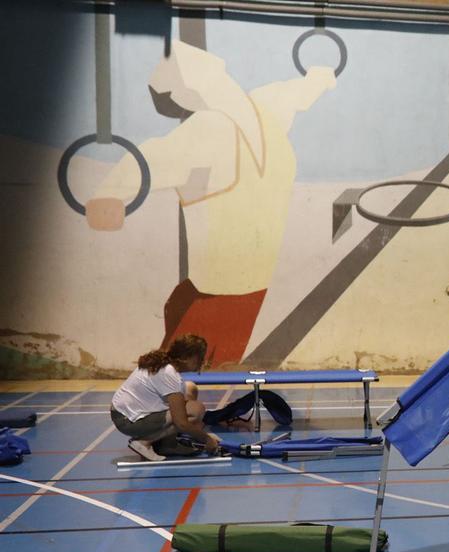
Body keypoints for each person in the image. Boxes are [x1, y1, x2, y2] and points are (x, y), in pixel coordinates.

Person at [86, 41, 336, 366]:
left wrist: (109, 194)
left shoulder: (210, 127)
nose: (181, 109)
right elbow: (299, 92)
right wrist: (321, 76)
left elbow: (151, 157)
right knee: (189, 367)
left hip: (220, 295)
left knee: (185, 376)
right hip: (235, 288)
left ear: (188, 90)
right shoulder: (266, 108)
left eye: (177, 100)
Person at [110, 334, 220, 461]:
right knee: (196, 410)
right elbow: (182, 423)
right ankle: (143, 442)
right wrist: (207, 439)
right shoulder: (168, 373)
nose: (202, 361)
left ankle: (168, 445)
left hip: (125, 415)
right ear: (186, 358)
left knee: (189, 391)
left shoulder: (166, 366)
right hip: (127, 420)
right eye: (199, 357)